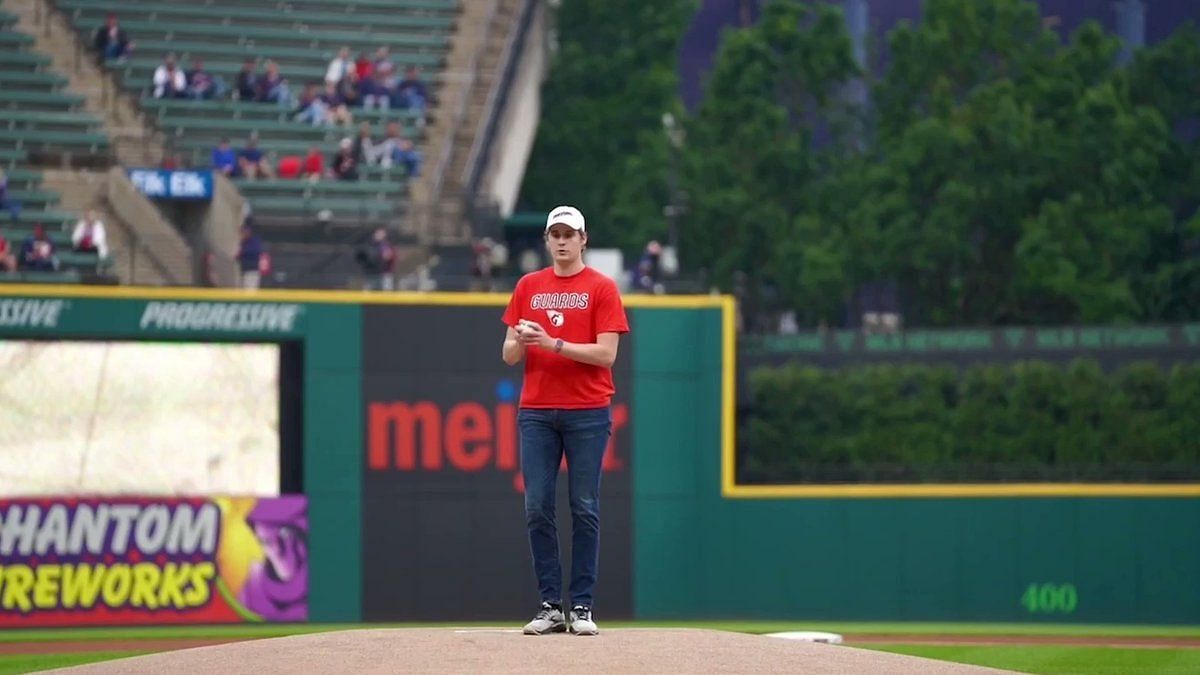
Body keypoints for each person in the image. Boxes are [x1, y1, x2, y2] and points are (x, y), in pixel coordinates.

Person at [500, 206, 629, 637]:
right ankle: (551, 605)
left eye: (569, 234)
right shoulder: (528, 286)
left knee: (584, 506)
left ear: (583, 240)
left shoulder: (602, 287)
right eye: (554, 233)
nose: (561, 241)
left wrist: (554, 343)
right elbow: (508, 354)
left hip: (588, 410)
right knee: (537, 506)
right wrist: (522, 339)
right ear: (546, 240)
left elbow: (607, 354)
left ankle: (584, 607)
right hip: (537, 409)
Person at [236, 224, 266, 289]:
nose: (242, 235)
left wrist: (242, 253)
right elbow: (239, 256)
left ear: (248, 232)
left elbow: (255, 251)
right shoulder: (243, 243)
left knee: (250, 291)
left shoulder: (254, 241)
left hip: (252, 271)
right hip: (244, 270)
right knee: (244, 290)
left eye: (243, 232)